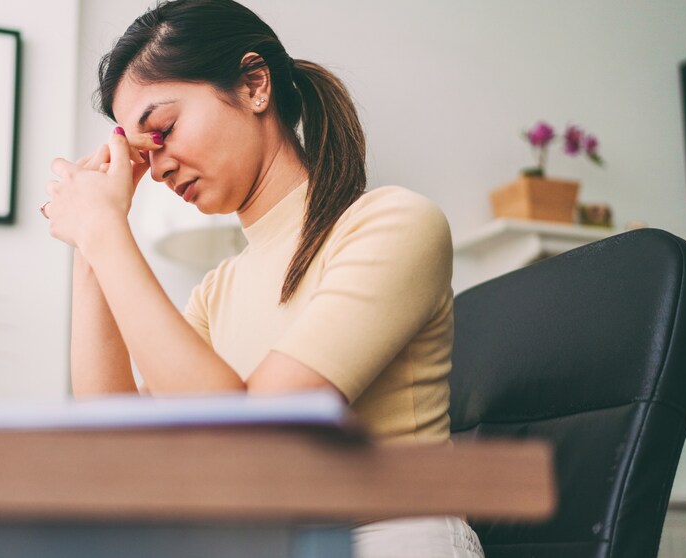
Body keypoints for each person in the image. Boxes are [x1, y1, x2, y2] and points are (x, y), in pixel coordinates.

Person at [40, 1, 484, 556]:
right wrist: (91, 245)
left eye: (166, 129)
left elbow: (257, 441)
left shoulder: (393, 224)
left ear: (254, 85)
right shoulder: (217, 289)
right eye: (144, 151)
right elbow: (118, 441)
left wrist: (106, 232)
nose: (157, 168)